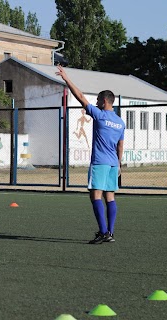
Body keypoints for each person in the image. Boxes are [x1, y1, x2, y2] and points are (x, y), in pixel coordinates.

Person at [56, 65, 125, 244]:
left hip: (100, 162)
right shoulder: (120, 122)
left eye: (98, 99)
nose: (95, 102)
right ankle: (110, 232)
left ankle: (103, 232)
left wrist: (66, 78)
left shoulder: (100, 115)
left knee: (95, 195)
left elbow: (80, 97)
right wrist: (119, 164)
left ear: (104, 101)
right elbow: (120, 145)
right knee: (109, 196)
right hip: (113, 164)